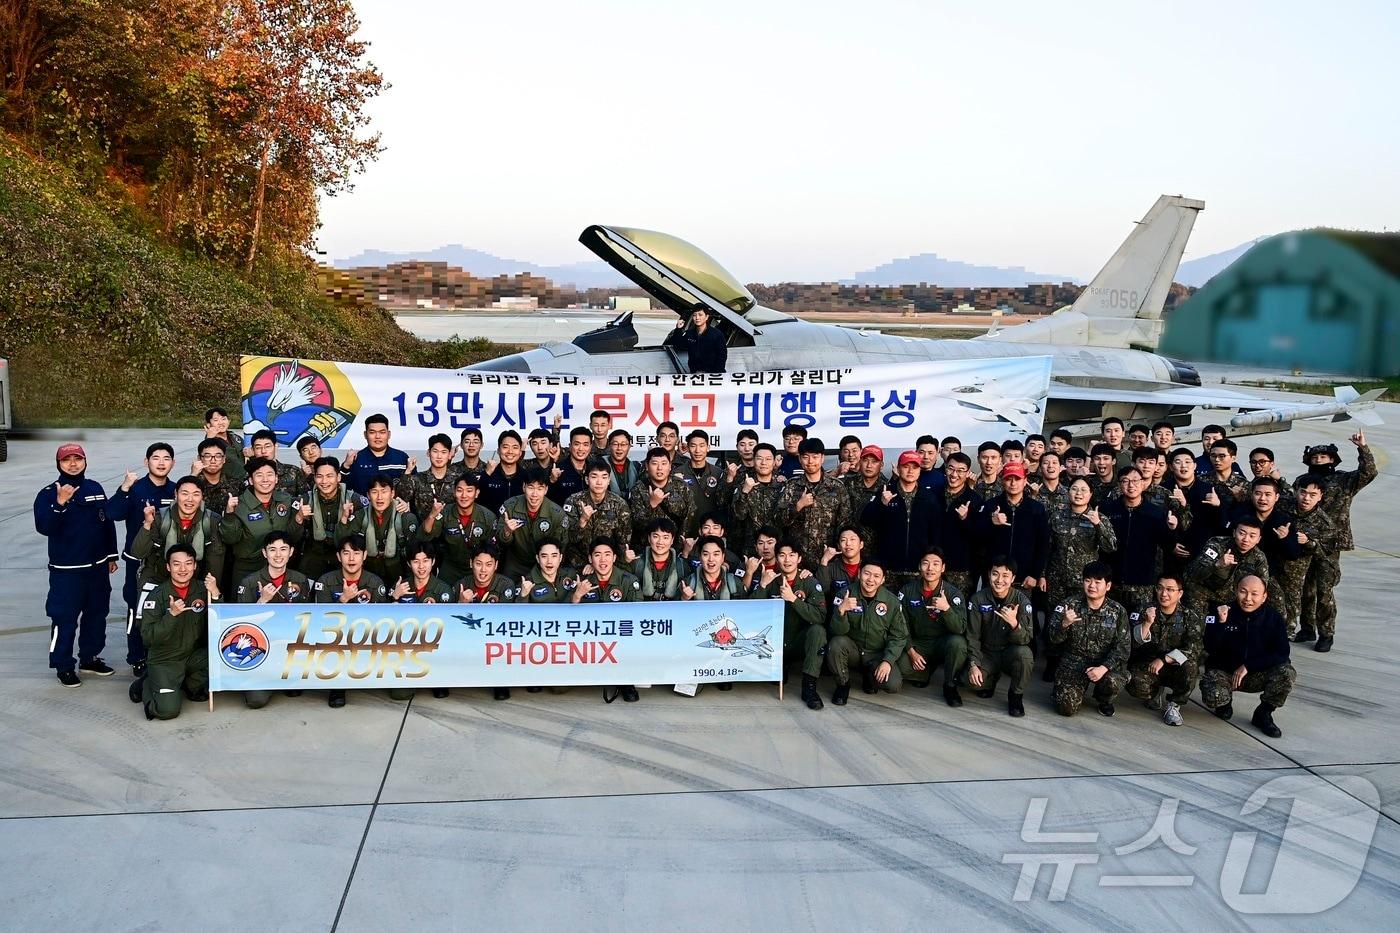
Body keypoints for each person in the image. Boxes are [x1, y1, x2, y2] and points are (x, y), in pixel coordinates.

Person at [34, 443, 120, 686]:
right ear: (58, 464)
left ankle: (89, 658)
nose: (73, 464)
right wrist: (60, 503)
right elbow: (44, 527)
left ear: (85, 461)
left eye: (77, 458)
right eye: (66, 460)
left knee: (97, 615)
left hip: (98, 569)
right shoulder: (48, 493)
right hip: (67, 573)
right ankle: (63, 665)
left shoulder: (95, 488)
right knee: (64, 619)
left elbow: (107, 523)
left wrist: (111, 555)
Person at [1296, 432, 1377, 651]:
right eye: (1315, 457)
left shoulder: (1344, 480)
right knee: (1305, 588)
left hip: (1330, 544)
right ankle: (1306, 628)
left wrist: (1363, 448)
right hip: (1303, 541)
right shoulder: (1302, 482)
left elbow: (1369, 472)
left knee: (1324, 591)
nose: (1319, 460)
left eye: (1324, 457)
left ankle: (1326, 633)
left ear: (1333, 460)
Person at [108, 442, 177, 674]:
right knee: (136, 609)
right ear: (146, 462)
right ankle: (137, 657)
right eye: (155, 458)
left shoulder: (176, 491)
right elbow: (112, 513)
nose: (161, 462)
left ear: (173, 463)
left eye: (166, 458)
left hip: (168, 563)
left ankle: (161, 655)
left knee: (165, 609)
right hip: (138, 561)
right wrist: (124, 487)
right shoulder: (135, 489)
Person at [1042, 476, 1117, 682]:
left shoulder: (1098, 517)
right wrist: (1042, 574)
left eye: (1083, 490)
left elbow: (1111, 546)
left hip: (1084, 584)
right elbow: (1047, 548)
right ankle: (1053, 660)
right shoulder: (1056, 516)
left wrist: (1099, 525)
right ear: (1068, 492)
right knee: (1055, 618)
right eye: (1074, 488)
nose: (1078, 493)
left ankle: (1073, 662)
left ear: (1090, 494)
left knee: (1078, 621)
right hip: (1057, 578)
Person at [1200, 575, 1295, 738]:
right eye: (1243, 592)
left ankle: (1263, 714)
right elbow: (1209, 647)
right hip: (1226, 673)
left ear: (1264, 597)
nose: (1248, 599)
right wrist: (1221, 625)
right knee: (1213, 694)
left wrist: (1249, 666)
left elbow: (1281, 653)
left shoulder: (1274, 618)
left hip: (1255, 673)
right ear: (1235, 591)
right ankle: (1224, 704)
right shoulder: (1221, 612)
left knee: (1286, 673)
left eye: (1254, 594)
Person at [131, 546, 215, 720]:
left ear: (194, 566)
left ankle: (190, 685)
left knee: (221, 656)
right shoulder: (156, 596)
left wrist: (216, 594)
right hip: (165, 659)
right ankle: (147, 684)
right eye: (176, 564)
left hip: (192, 656)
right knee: (167, 710)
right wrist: (172, 615)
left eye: (188, 564)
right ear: (168, 567)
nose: (183, 569)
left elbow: (221, 623)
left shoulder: (202, 589)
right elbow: (148, 638)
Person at [314, 534, 395, 709]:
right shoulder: (325, 581)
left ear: (364, 555)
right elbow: (320, 621)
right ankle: (337, 687)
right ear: (338, 556)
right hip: (336, 639)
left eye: (356, 553)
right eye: (346, 553)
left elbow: (383, 620)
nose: (351, 558)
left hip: (366, 637)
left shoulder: (374, 583)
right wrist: (343, 599)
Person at [234, 531, 311, 709]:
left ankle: (286, 676)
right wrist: (262, 602)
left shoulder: (300, 580)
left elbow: (307, 618)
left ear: (291, 552)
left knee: (296, 687)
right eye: (272, 550)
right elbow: (242, 626)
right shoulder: (249, 582)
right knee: (256, 700)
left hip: (289, 647)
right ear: (264, 553)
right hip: (260, 649)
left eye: (283, 549)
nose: (278, 555)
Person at [1049, 562, 1130, 717]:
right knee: (1066, 708)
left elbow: (1123, 648)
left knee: (1112, 682)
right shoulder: (1069, 605)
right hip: (1074, 662)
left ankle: (1104, 699)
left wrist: (1104, 667)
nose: (1092, 585)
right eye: (1088, 580)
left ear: (1108, 586)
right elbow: (1052, 639)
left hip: (1104, 663)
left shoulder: (1118, 611)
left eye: (1098, 582)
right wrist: (1064, 624)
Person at [755, 539, 827, 710]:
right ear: (777, 558)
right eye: (782, 555)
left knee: (818, 631)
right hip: (773, 644)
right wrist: (763, 585)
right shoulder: (771, 580)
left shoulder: (809, 582)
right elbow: (752, 613)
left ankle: (809, 687)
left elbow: (820, 616)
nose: (787, 560)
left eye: (792, 555)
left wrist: (793, 599)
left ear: (799, 559)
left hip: (797, 642)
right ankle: (780, 665)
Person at [1124, 574, 1203, 727]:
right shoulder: (1144, 609)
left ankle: (1174, 705)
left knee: (1191, 666)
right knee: (1135, 684)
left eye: (1170, 590)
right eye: (1160, 588)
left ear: (1179, 593)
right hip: (1148, 665)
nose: (1163, 594)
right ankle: (1154, 692)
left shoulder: (1190, 617)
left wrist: (1164, 659)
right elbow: (1130, 644)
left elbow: (1193, 649)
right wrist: (1147, 624)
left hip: (1174, 666)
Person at [571, 536, 643, 703]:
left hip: (620, 637)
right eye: (597, 555)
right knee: (559, 689)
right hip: (588, 639)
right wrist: (577, 595)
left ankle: (626, 681)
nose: (603, 560)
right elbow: (567, 620)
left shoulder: (628, 581)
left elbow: (638, 615)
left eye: (607, 554)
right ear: (590, 559)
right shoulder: (581, 581)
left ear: (615, 558)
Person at [896, 547, 969, 707]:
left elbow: (960, 629)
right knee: (899, 666)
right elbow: (900, 626)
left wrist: (947, 609)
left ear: (943, 568)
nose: (930, 568)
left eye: (936, 564)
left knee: (958, 644)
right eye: (926, 563)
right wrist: (911, 652)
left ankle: (950, 685)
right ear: (919, 566)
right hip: (919, 643)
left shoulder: (953, 594)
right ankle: (924, 673)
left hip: (943, 643)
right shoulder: (907, 591)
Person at [827, 560, 907, 705]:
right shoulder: (844, 594)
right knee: (836, 643)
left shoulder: (892, 602)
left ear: (883, 580)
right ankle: (843, 685)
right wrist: (841, 611)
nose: (871, 580)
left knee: (893, 684)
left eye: (876, 576)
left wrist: (887, 661)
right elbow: (836, 631)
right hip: (854, 651)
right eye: (867, 574)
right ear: (859, 574)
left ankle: (870, 677)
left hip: (877, 653)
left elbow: (899, 636)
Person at [963, 556, 1034, 717]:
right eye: (995, 574)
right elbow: (972, 636)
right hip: (987, 653)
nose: (999, 580)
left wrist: (1014, 624)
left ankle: (1016, 695)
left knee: (1025, 655)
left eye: (1005, 576)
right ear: (989, 575)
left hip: (1009, 652)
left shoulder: (1022, 601)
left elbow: (1026, 638)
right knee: (970, 682)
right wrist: (973, 664)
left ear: (1013, 578)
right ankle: (990, 680)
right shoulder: (978, 599)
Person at [860, 450, 941, 587]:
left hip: (918, 569)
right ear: (898, 469)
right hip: (889, 568)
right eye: (905, 466)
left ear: (920, 470)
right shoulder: (886, 492)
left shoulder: (929, 497)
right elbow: (866, 520)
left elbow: (936, 533)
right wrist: (882, 504)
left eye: (915, 467)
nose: (910, 471)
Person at [220, 457, 305, 584]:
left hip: (279, 568)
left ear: (276, 479)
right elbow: (230, 539)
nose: (265, 480)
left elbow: (292, 537)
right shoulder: (238, 505)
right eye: (259, 475)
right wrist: (229, 515)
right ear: (251, 480)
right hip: (247, 570)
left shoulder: (286, 500)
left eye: (270, 475)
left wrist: (298, 519)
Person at [775, 437, 852, 570]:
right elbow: (778, 520)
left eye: (815, 457)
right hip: (796, 560)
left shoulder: (836, 487)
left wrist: (835, 552)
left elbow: (844, 524)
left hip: (828, 559)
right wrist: (798, 506)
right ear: (800, 459)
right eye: (805, 457)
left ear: (822, 458)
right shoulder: (792, 486)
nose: (810, 462)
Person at [978, 462, 1050, 594]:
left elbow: (1043, 545)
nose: (1013, 483)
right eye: (1008, 478)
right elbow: (978, 538)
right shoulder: (991, 506)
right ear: (1002, 481)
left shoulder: (1036, 509)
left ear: (1025, 481)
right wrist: (991, 523)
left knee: (1021, 613)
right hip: (994, 577)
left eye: (1017, 479)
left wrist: (1035, 574)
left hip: (1023, 579)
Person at [1283, 476, 1338, 647]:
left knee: (1324, 597)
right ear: (1297, 492)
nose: (1306, 498)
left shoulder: (1325, 522)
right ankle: (1307, 630)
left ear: (1321, 496)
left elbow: (1326, 550)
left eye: (1312, 495)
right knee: (1305, 594)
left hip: (1322, 562)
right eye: (1303, 493)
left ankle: (1326, 634)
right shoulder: (1285, 508)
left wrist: (1309, 542)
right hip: (1298, 562)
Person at [421, 472, 496, 586]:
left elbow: (493, 549)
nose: (464, 495)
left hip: (478, 567)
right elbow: (426, 534)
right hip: (451, 566)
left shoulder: (488, 517)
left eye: (469, 490)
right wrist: (432, 515)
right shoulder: (445, 512)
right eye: (460, 490)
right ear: (454, 492)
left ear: (477, 493)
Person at [298, 456, 365, 581]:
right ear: (314, 478)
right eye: (319, 476)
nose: (324, 481)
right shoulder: (305, 500)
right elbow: (291, 537)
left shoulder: (354, 500)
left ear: (338, 477)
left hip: (345, 560)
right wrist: (299, 518)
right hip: (313, 558)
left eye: (329, 476)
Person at [1184, 518, 1271, 615]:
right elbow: (1194, 574)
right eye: (1242, 533)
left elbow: (1262, 586)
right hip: (1201, 592)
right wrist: (1217, 565)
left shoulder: (1259, 557)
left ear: (1258, 539)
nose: (1246, 539)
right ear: (1234, 533)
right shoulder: (1217, 545)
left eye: (1252, 536)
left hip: (1232, 600)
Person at [344, 476, 419, 586]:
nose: (379, 497)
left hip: (400, 579)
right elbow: (342, 545)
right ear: (368, 495)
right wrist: (343, 520)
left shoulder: (406, 518)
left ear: (392, 493)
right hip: (368, 580)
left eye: (384, 492)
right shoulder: (360, 517)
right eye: (374, 492)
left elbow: (415, 554)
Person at [561, 459, 632, 569]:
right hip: (578, 562)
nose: (599, 482)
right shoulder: (573, 501)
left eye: (604, 477)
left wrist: (606, 565)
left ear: (609, 480)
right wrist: (583, 520)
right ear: (587, 479)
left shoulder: (619, 504)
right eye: (594, 477)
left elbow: (623, 542)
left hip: (607, 563)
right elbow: (568, 539)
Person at [498, 468, 566, 579]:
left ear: (546, 490)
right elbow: (499, 542)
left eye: (540, 488)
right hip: (515, 563)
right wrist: (507, 532)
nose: (535, 494)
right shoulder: (510, 507)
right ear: (524, 487)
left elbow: (561, 546)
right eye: (531, 487)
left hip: (543, 565)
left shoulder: (556, 514)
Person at [627, 447, 694, 552]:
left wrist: (678, 546)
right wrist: (652, 504)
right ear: (647, 466)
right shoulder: (638, 489)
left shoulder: (681, 486)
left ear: (670, 466)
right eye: (654, 463)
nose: (659, 468)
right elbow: (637, 524)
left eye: (664, 463)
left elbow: (689, 517)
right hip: (647, 549)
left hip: (677, 548)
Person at [938, 451, 982, 596]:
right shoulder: (932, 494)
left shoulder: (974, 500)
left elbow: (979, 535)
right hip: (934, 566)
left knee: (959, 612)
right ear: (945, 468)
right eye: (951, 468)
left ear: (968, 472)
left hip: (962, 569)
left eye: (960, 470)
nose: (954, 474)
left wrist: (965, 519)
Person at [730, 442, 784, 556]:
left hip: (778, 552)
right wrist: (745, 491)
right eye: (759, 459)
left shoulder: (783, 487)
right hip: (749, 550)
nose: (764, 463)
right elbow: (739, 515)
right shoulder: (743, 486)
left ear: (774, 462)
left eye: (768, 459)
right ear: (754, 461)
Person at [673, 430, 729, 535]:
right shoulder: (677, 473)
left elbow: (723, 503)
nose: (697, 450)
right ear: (688, 448)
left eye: (702, 446)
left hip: (710, 532)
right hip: (685, 532)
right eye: (693, 446)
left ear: (708, 447)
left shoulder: (718, 473)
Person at [341, 414, 411, 496]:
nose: (377, 436)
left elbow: (413, 490)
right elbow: (342, 490)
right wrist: (346, 466)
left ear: (389, 434)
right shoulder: (356, 459)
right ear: (365, 435)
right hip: (363, 508)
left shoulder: (401, 458)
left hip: (395, 508)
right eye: (372, 432)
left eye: (382, 432)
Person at [401, 433, 462, 518]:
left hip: (452, 529)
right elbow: (402, 497)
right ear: (428, 453)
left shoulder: (459, 479)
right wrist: (408, 471)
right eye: (435, 451)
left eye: (444, 452)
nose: (439, 456)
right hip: (423, 529)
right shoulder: (417, 479)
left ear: (449, 455)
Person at [632, 518, 688, 601]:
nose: (660, 542)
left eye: (665, 537)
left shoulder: (682, 566)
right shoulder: (637, 563)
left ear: (672, 540)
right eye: (655, 536)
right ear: (649, 538)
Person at [663, 305, 727, 373]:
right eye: (694, 315)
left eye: (700, 315)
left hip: (712, 374)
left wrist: (716, 374)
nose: (697, 318)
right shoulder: (690, 333)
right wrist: (678, 329)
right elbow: (678, 345)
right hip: (695, 373)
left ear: (706, 317)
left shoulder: (717, 334)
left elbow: (722, 356)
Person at [247, 429, 306, 496]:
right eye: (258, 448)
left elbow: (305, 498)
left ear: (275, 447)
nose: (263, 451)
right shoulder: (246, 475)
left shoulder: (293, 471)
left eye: (267, 446)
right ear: (252, 450)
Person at [480, 430, 526, 511]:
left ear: (520, 452)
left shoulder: (527, 477)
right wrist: (486, 475)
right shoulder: (487, 475)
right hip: (492, 522)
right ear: (498, 450)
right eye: (505, 447)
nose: (510, 451)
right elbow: (477, 500)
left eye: (515, 447)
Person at [549, 427, 594, 505]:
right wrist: (552, 481)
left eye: (585, 445)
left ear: (590, 447)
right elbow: (547, 500)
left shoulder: (595, 469)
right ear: (570, 446)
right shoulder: (557, 469)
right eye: (577, 444)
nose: (581, 448)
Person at [203, 407, 246, 481]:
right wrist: (209, 439)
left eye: (223, 419)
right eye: (216, 420)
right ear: (209, 425)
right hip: (226, 483)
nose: (221, 422)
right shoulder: (209, 443)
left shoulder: (236, 438)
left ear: (228, 421)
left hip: (244, 480)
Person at [605, 429, 641, 498]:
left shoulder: (637, 467)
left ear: (629, 446)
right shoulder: (599, 465)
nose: (619, 448)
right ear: (609, 446)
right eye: (615, 444)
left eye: (623, 444)